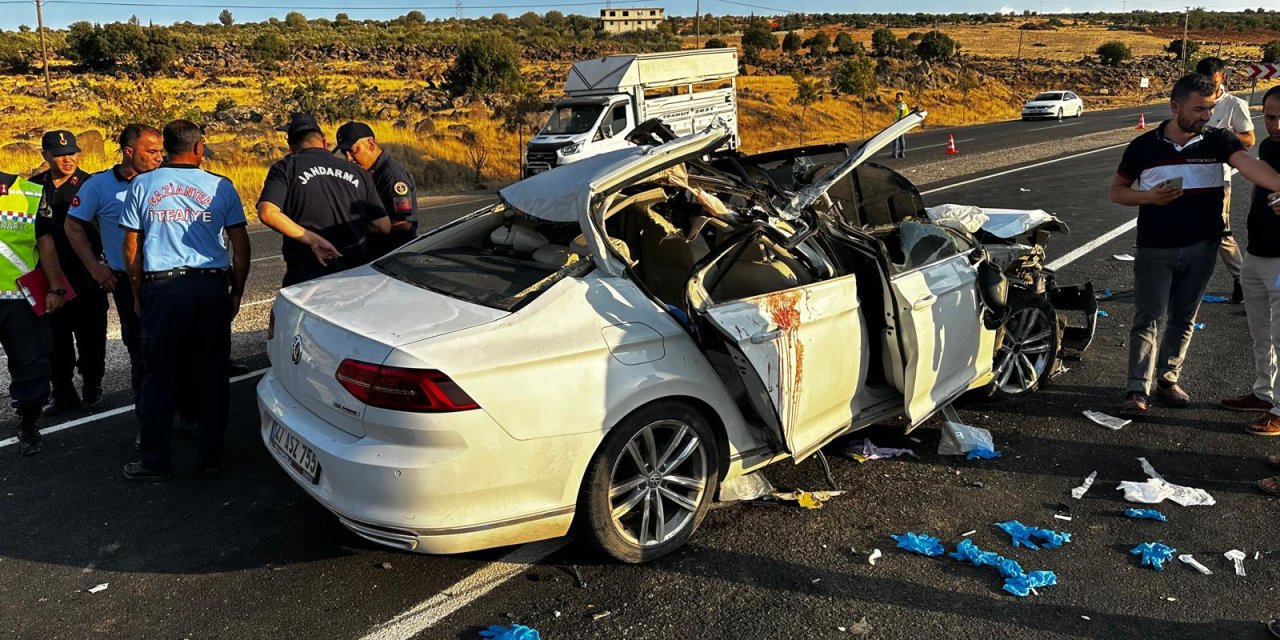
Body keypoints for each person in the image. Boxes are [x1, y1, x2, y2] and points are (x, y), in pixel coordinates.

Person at [1108, 73, 1280, 417]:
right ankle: (1136, 390)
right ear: (1175, 107)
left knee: (1184, 318)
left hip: (1203, 247)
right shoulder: (1144, 146)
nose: (1207, 116)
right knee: (1149, 318)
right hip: (1155, 247)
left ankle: (1168, 380)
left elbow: (1249, 167)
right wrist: (1149, 198)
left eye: (1211, 109)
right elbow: (1117, 192)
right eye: (1200, 109)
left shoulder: (1218, 140)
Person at [119, 120, 250, 481]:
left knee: (159, 375)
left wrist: (137, 292)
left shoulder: (142, 184)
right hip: (209, 286)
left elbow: (131, 246)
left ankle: (155, 460)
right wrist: (236, 291)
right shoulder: (220, 186)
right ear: (198, 147)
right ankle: (211, 456)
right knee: (211, 372)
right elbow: (239, 243)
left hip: (163, 288)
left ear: (166, 146)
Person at [64, 124, 165, 410]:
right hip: (128, 281)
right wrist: (95, 266)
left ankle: (185, 411)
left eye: (161, 151)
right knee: (141, 350)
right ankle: (147, 420)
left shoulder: (166, 179)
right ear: (129, 152)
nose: (159, 157)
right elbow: (72, 225)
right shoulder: (98, 185)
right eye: (152, 151)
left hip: (170, 279)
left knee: (177, 347)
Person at [257, 113, 389, 286]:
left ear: (291, 147)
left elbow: (267, 212)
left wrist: (312, 239)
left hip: (308, 274)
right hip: (355, 273)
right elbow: (383, 226)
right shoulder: (359, 172)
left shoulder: (287, 167)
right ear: (325, 143)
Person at [31, 130, 104, 415]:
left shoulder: (91, 184)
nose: (67, 159)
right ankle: (62, 391)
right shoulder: (33, 188)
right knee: (53, 338)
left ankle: (92, 386)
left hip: (85, 274)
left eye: (72, 152)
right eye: (60, 155)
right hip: (48, 276)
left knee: (91, 336)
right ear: (45, 156)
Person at [1221, 87, 1280, 430]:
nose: (1275, 124)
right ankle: (1263, 392)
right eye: (1269, 116)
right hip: (1257, 251)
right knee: (1261, 332)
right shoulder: (1270, 146)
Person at [0, 170, 66, 455]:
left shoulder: (28, 192)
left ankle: (28, 423)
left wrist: (55, 288)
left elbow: (45, 243)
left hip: (18, 298)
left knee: (31, 364)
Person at [1196, 57, 1256, 303]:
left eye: (1210, 81)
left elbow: (1250, 139)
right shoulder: (1194, 99)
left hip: (1217, 179)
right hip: (1186, 174)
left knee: (1220, 231)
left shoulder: (1234, 105)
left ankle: (1243, 279)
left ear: (1222, 77)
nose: (1205, 86)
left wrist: (1222, 137)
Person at [334, 121, 418, 260]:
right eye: (344, 153)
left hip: (394, 256)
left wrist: (361, 227)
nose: (349, 158)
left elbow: (404, 223)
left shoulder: (391, 175)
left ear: (371, 144)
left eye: (353, 150)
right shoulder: (369, 173)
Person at [892, 92, 909, 159]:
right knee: (901, 139)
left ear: (901, 98)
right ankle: (902, 153)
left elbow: (901, 114)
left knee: (895, 138)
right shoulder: (901, 104)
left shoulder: (901, 105)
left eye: (898, 97)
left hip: (900, 123)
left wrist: (898, 123)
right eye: (896, 97)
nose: (897, 98)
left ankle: (895, 153)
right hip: (902, 123)